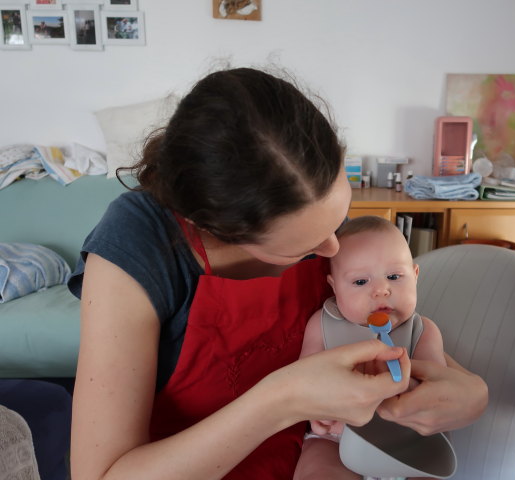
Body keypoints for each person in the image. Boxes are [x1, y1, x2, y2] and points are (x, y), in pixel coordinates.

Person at [68, 67, 488, 480]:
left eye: (337, 218)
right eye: (306, 247)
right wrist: (285, 399)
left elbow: (399, 332)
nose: (334, 249)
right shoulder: (137, 245)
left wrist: (472, 392)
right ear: (220, 230)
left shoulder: (307, 204)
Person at [294, 216, 447, 480]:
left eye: (394, 276)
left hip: (403, 442)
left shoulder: (423, 332)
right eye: (360, 282)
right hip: (335, 439)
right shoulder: (321, 325)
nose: (381, 290)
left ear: (415, 275)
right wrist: (318, 412)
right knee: (316, 467)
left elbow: (436, 392)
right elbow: (303, 380)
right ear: (334, 286)